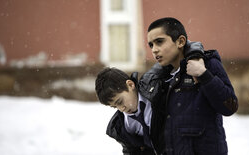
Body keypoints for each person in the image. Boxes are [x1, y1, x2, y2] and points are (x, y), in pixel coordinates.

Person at [138, 17, 238, 155]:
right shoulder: (160, 79)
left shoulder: (207, 65)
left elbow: (230, 106)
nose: (154, 50)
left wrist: (204, 75)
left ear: (180, 41)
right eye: (151, 45)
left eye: (159, 42)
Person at [95, 42, 205, 154]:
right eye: (115, 106)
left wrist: (195, 58)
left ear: (130, 85)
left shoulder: (152, 80)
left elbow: (183, 46)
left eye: (120, 101)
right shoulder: (123, 126)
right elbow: (131, 151)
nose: (121, 108)